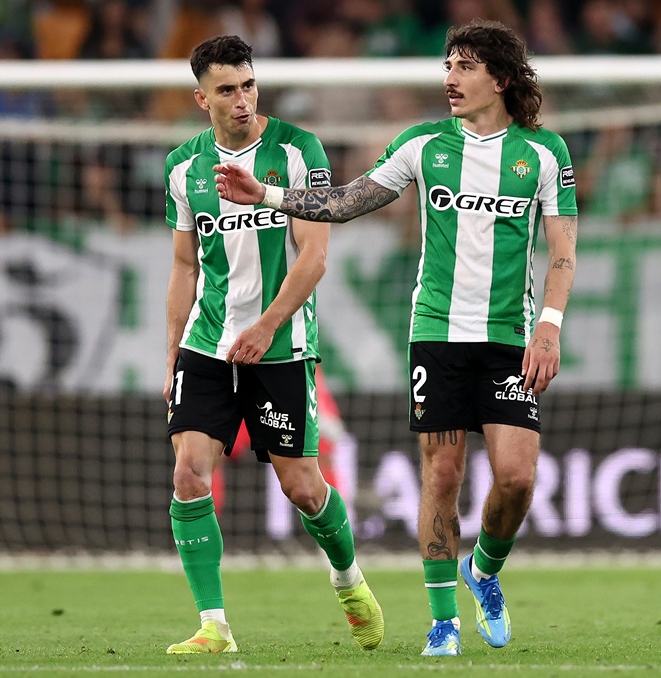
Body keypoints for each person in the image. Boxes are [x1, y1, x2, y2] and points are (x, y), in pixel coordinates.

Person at [214, 19, 578, 656]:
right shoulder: (422, 144)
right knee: (441, 474)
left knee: (517, 478)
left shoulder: (544, 154)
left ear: (501, 79)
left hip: (508, 338)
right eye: (448, 66)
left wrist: (548, 329)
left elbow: (564, 255)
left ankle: (484, 571)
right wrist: (265, 191)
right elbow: (348, 201)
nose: (450, 79)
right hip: (435, 333)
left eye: (464, 67)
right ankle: (443, 621)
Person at [161, 35, 384, 655]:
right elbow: (183, 266)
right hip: (208, 344)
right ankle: (215, 626)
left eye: (248, 86)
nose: (241, 99)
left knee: (304, 488)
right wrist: (172, 350)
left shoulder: (295, 149)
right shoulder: (183, 166)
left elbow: (313, 257)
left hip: (281, 347)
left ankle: (347, 579)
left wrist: (266, 326)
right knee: (188, 472)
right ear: (201, 97)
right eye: (227, 89)